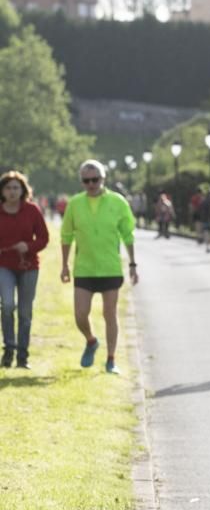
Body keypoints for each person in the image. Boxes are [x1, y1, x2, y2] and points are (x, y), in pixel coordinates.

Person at [60, 160, 138, 375]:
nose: (91, 184)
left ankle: (111, 360)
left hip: (110, 267)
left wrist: (132, 263)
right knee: (80, 314)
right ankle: (91, 340)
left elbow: (128, 235)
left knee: (109, 313)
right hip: (84, 268)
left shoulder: (118, 202)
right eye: (86, 180)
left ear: (103, 179)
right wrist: (64, 265)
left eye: (95, 179)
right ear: (82, 182)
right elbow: (66, 236)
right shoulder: (75, 204)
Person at [0, 171, 49, 369]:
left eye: (16, 188)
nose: (12, 192)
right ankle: (9, 349)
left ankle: (23, 355)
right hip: (4, 265)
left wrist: (28, 246)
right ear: (2, 191)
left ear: (23, 191)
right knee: (8, 305)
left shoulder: (32, 210)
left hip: (28, 266)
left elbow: (44, 238)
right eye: (8, 188)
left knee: (25, 311)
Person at [199, 187, 210, 252]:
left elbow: (201, 211)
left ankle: (207, 247)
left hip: (205, 220)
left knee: (207, 233)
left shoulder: (203, 201)